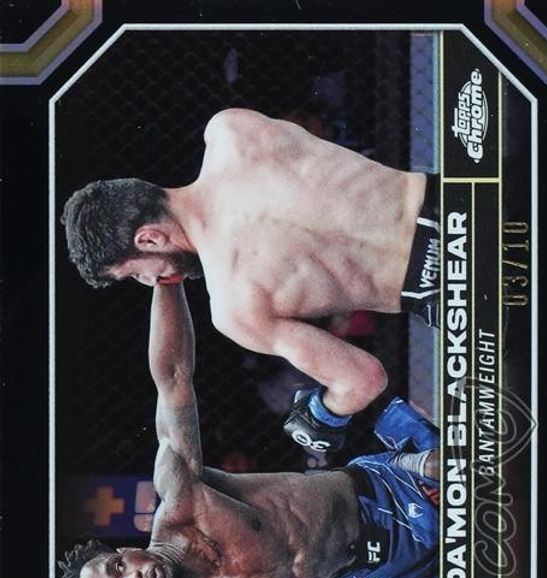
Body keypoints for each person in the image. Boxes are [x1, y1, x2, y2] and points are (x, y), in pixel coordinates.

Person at [55, 283, 439, 578]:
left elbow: (173, 379)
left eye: (118, 567)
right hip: (381, 576)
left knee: (476, 481)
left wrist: (167, 281)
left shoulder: (183, 499)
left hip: (387, 492)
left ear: (125, 551)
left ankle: (421, 461)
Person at [61, 108, 440, 452]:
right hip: (454, 197)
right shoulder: (230, 131)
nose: (150, 281)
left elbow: (362, 381)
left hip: (447, 288)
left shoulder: (234, 307)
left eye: (135, 274)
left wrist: (321, 415)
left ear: (149, 239)